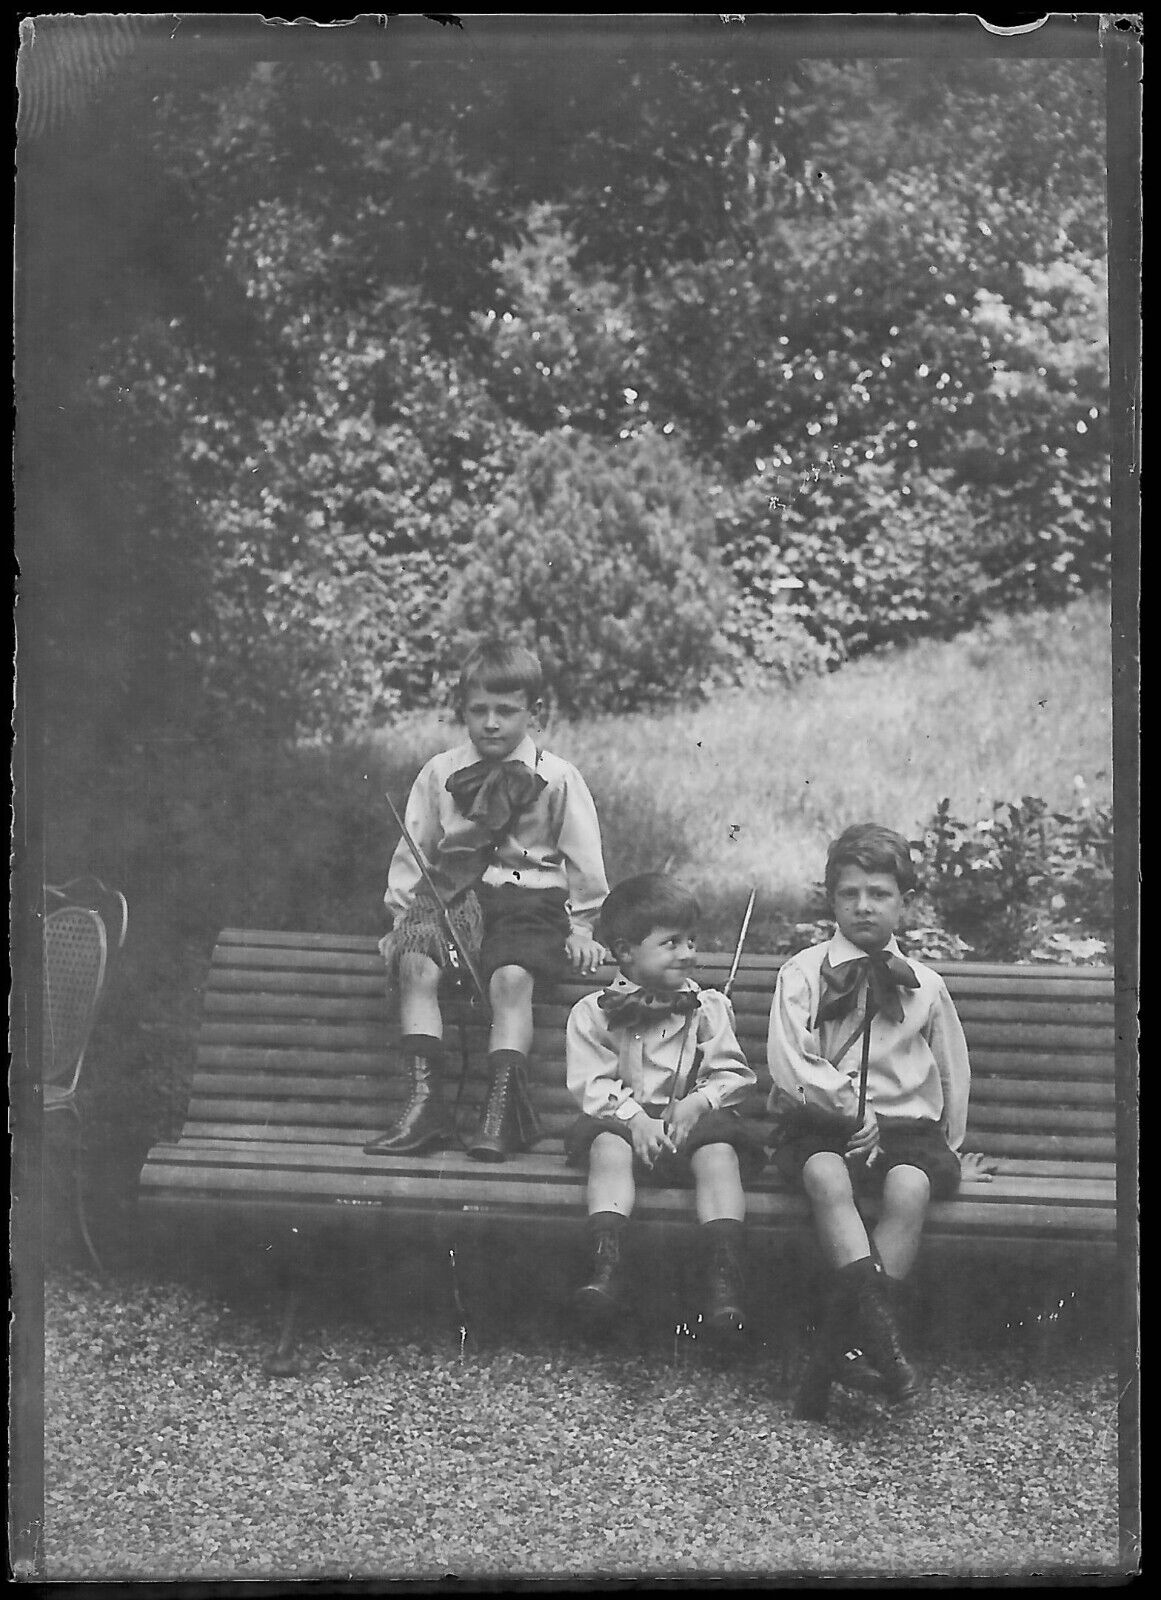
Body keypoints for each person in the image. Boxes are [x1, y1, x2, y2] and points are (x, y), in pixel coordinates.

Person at [767, 822, 988, 1422]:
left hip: (904, 1130)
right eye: (850, 893)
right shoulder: (804, 974)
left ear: (904, 902)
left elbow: (951, 1070)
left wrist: (951, 1140)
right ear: (831, 899)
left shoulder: (925, 987)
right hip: (821, 1122)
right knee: (825, 1175)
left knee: (910, 1186)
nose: (864, 905)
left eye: (880, 894)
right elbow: (789, 1062)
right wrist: (846, 1108)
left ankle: (846, 1349)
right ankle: (881, 1351)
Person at [364, 641, 609, 1163]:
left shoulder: (558, 777)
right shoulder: (439, 773)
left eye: (507, 711)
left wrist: (582, 927)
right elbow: (415, 849)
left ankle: (502, 1109)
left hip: (530, 901)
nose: (492, 723)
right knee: (414, 964)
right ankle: (425, 1104)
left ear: (535, 713)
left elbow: (585, 861)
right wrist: (402, 917)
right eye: (479, 711)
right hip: (453, 896)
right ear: (463, 712)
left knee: (511, 977)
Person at [564, 872, 765, 1337]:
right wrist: (634, 1119)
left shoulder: (707, 1007)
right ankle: (607, 1268)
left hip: (687, 1128)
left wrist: (699, 1101)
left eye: (691, 941)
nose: (688, 953)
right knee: (607, 1150)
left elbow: (732, 1073)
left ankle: (723, 1279)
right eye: (671, 943)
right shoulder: (594, 1012)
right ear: (626, 951)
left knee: (720, 1153)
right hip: (622, 1125)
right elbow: (591, 1086)